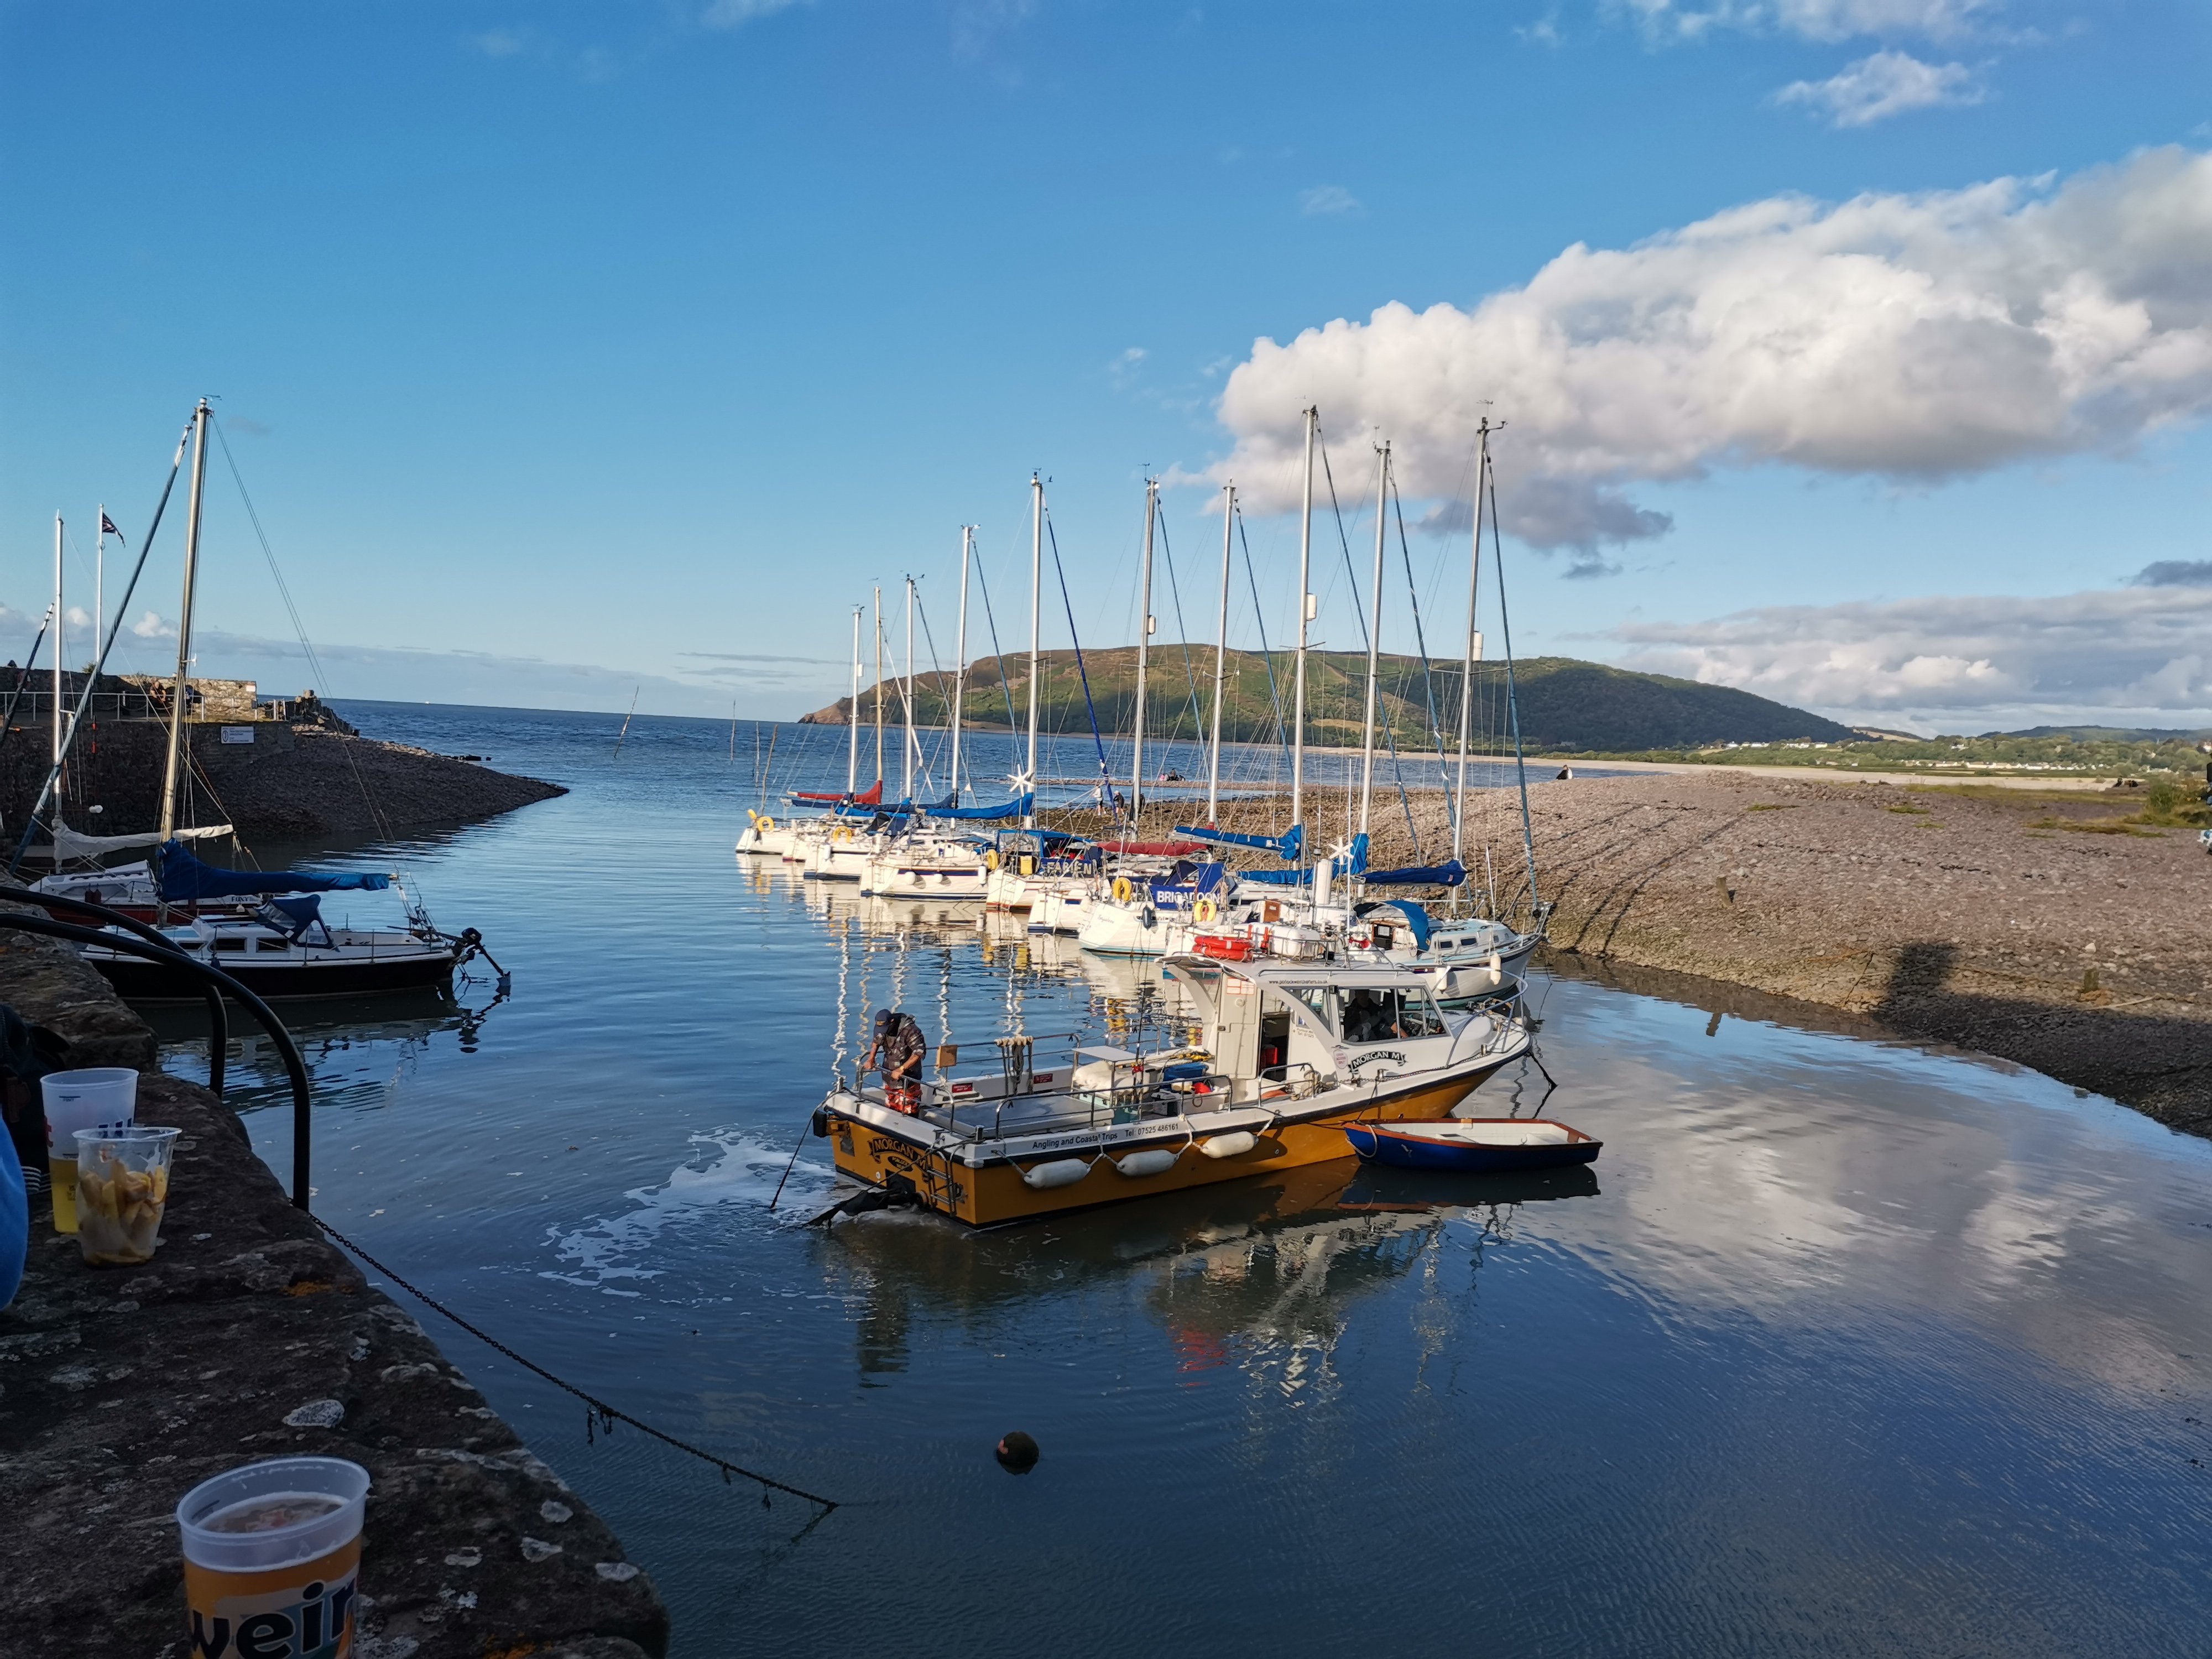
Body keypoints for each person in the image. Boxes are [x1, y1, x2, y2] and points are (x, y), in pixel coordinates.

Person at [862, 1008, 926, 1114]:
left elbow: (919, 1052)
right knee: (891, 1106)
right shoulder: (881, 1027)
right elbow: (876, 1042)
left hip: (908, 1077)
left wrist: (902, 1069)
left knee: (909, 1109)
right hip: (889, 1074)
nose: (884, 1031)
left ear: (891, 1022)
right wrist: (871, 1059)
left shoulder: (910, 1030)